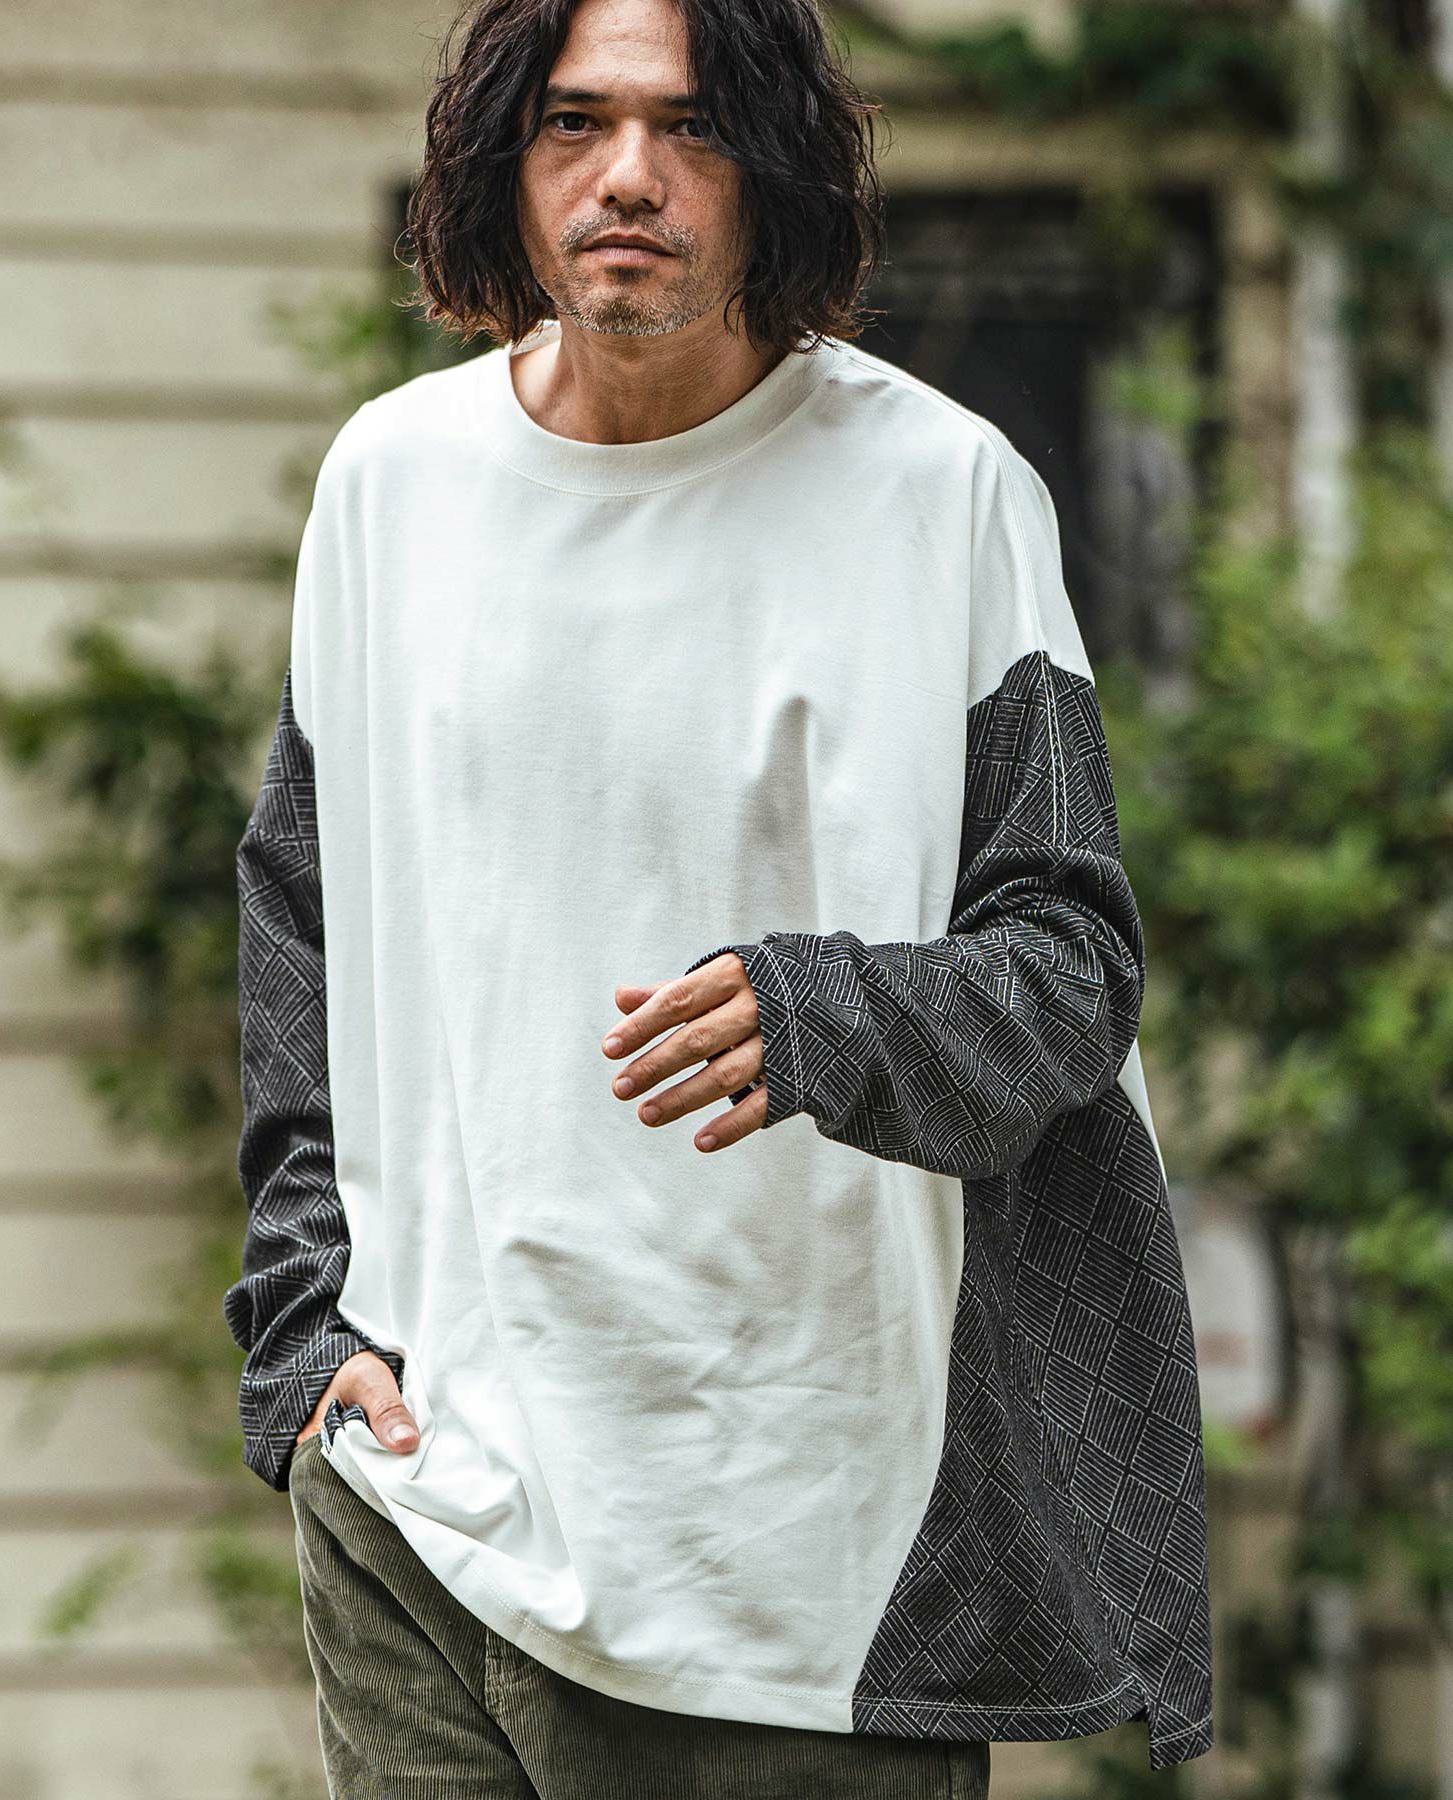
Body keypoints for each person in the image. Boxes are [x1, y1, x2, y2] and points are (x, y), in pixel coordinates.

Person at [224, 0, 1215, 1790]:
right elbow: (300, 914)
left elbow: (1073, 972)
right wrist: (300, 1325)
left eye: (691, 127)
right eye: (575, 122)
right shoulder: (389, 485)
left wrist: (828, 1011)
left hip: (791, 1585)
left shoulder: (943, 496)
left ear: (773, 171)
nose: (630, 176)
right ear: (501, 162)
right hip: (419, 1501)